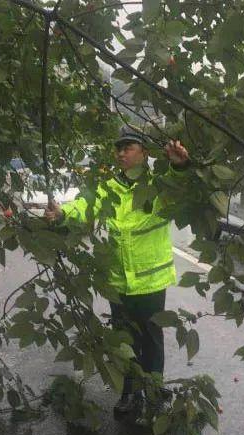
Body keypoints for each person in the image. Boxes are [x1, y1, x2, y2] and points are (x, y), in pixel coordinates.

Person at [45, 127, 190, 419]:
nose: (121, 153)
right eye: (119, 148)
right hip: (118, 282)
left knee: (151, 338)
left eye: (129, 147)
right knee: (124, 342)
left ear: (144, 153)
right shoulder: (109, 187)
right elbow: (84, 205)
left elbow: (180, 187)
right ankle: (129, 393)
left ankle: (154, 387)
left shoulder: (156, 185)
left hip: (150, 281)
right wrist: (62, 215)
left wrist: (180, 165)